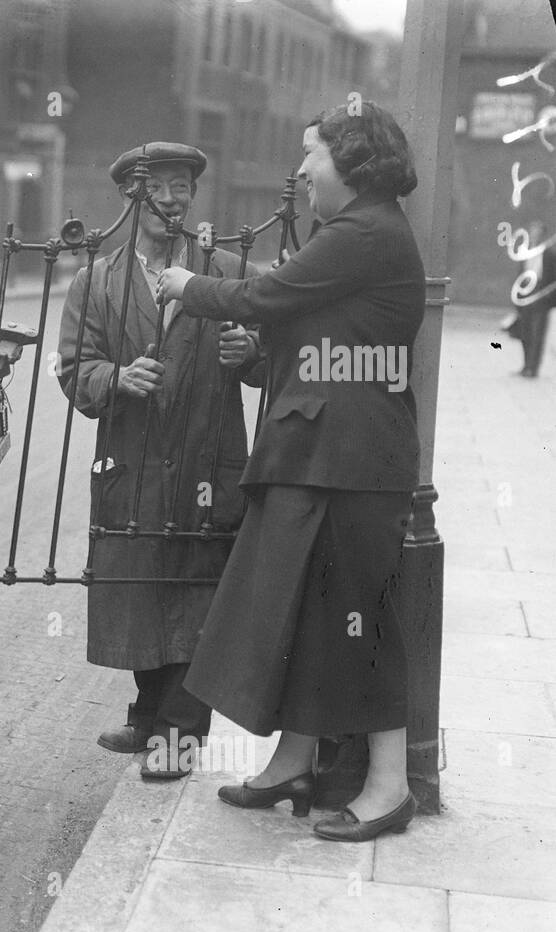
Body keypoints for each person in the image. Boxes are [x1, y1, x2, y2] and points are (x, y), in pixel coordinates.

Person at [157, 103, 423, 840]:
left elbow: (264, 295)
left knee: (361, 620)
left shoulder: (364, 231)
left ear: (354, 160)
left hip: (352, 462)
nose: (301, 170)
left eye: (313, 154)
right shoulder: (362, 231)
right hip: (325, 456)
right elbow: (316, 332)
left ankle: (391, 788)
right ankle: (293, 762)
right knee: (307, 612)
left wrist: (183, 283)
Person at [56, 141, 260, 780]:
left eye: (182, 190)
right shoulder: (96, 280)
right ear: (129, 197)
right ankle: (147, 714)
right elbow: (71, 368)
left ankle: (180, 736)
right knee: (141, 582)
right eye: (159, 189)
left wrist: (246, 355)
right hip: (133, 461)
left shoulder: (224, 268)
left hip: (206, 457)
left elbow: (268, 355)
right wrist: (115, 378)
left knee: (197, 589)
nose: (172, 201)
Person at [512, 220, 555, 377]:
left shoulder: (549, 254)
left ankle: (533, 368)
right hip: (525, 297)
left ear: (543, 235)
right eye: (532, 232)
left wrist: (548, 297)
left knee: (538, 334)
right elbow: (519, 276)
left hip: (541, 299)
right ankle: (525, 366)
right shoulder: (524, 252)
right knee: (525, 333)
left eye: (538, 233)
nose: (534, 235)